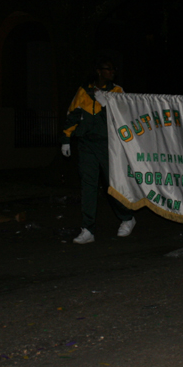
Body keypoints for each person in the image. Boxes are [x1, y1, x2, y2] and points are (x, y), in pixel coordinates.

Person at [61, 59, 136, 244]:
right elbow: (73, 115)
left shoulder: (117, 91)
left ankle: (127, 217)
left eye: (114, 69)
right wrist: (66, 139)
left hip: (108, 145)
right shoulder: (84, 91)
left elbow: (125, 117)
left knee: (112, 186)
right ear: (98, 71)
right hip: (86, 145)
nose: (112, 72)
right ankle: (88, 229)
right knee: (88, 186)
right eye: (108, 69)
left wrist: (106, 104)